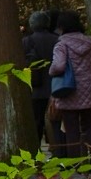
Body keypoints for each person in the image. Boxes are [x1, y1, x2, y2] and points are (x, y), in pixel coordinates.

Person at [48, 12, 91, 158]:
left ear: (61, 27)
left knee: (71, 129)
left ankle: (75, 163)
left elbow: (59, 66)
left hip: (68, 91)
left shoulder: (62, 45)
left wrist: (50, 70)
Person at [23, 9, 59, 153]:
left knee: (36, 121)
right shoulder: (57, 39)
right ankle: (58, 149)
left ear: (32, 24)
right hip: (55, 85)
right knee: (55, 120)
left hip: (35, 87)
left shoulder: (26, 41)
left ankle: (35, 151)